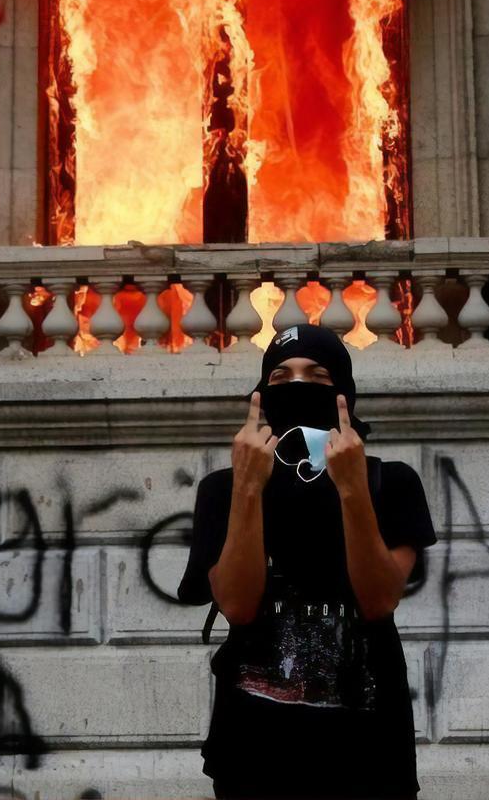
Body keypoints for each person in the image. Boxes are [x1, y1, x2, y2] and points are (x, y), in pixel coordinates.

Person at [177, 323, 438, 800]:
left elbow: (378, 602)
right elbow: (237, 605)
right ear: (259, 393)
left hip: (367, 749)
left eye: (317, 377)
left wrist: (353, 488)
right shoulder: (223, 490)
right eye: (280, 377)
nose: (297, 386)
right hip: (254, 751)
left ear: (344, 393)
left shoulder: (392, 482)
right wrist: (248, 487)